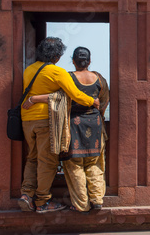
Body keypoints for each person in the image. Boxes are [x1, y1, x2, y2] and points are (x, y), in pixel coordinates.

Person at [24, 47, 109, 213]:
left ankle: (81, 204)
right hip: (95, 123)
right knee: (95, 162)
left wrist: (34, 99)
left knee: (74, 164)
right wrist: (99, 114)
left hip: (73, 125)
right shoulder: (99, 78)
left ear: (73, 61)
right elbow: (104, 101)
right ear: (89, 61)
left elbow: (59, 98)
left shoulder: (68, 76)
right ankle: (97, 199)